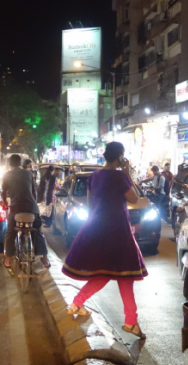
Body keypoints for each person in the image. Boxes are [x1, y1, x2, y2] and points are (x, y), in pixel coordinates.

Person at [63, 142, 148, 339]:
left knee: (106, 272)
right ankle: (130, 321)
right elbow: (134, 199)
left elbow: (92, 202)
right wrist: (128, 173)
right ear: (120, 157)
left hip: (97, 226)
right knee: (124, 274)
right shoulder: (119, 176)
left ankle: (78, 303)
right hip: (117, 228)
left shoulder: (95, 175)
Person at [1, 154, 49, 269]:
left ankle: (8, 260)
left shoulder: (7, 175)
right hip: (32, 208)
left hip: (16, 208)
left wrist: (5, 202)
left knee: (10, 232)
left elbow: (3, 192)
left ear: (10, 164)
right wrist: (33, 202)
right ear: (20, 162)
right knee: (37, 231)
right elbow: (33, 191)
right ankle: (45, 260)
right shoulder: (28, 173)